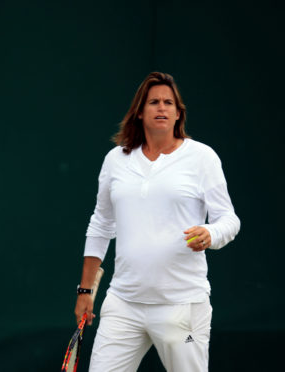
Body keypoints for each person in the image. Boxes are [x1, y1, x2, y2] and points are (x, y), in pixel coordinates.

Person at [74, 72, 240, 371]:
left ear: (178, 113)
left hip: (182, 305)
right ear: (140, 111)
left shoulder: (203, 157)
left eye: (168, 102)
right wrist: (85, 291)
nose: (161, 108)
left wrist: (210, 233)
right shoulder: (115, 160)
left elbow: (229, 219)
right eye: (153, 102)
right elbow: (100, 224)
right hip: (123, 304)